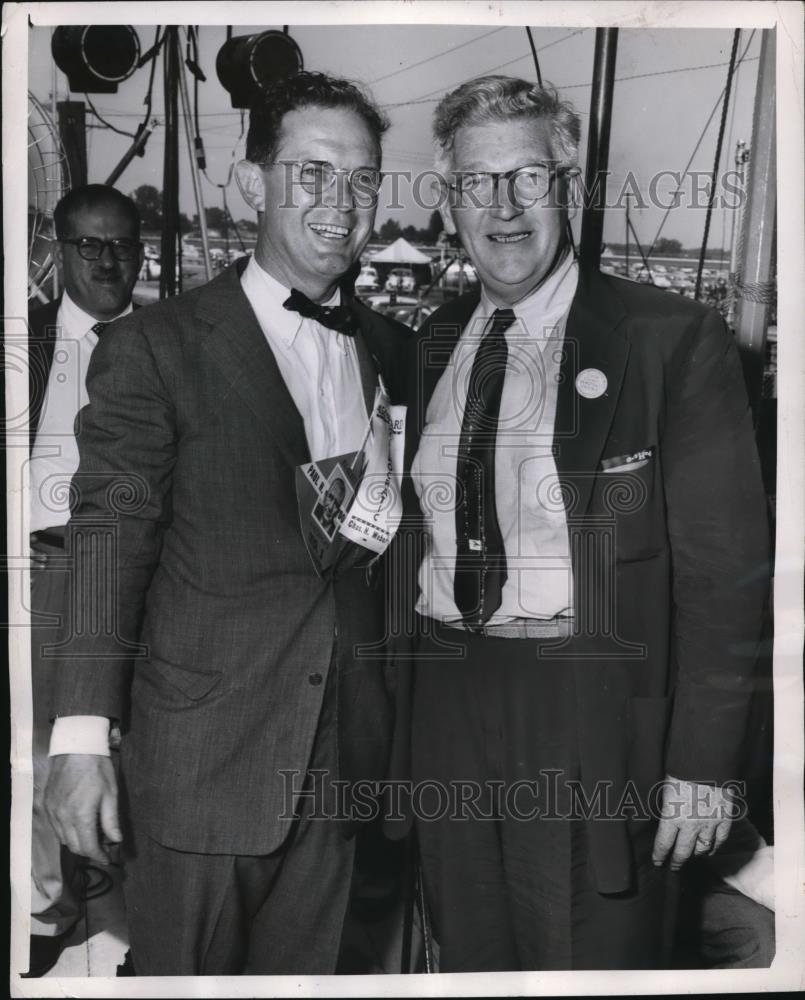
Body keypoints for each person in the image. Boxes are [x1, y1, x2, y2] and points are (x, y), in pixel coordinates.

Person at [399, 75, 769, 971]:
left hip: (593, 709)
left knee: (595, 960)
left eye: (528, 177)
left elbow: (726, 579)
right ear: (447, 200)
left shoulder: (669, 338)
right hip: (449, 704)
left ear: (567, 185)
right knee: (470, 955)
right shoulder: (429, 343)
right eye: (476, 183)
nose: (503, 206)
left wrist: (703, 767)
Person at [42, 72, 408, 976]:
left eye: (362, 178)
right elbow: (108, 541)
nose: (341, 202)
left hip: (339, 769)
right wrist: (80, 738)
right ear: (252, 185)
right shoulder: (157, 348)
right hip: (203, 763)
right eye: (310, 173)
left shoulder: (396, 352)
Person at [25, 184, 143, 978]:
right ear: (58, 252)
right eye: (88, 246)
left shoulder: (172, 345)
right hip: (36, 576)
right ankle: (44, 907)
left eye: (121, 246)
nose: (106, 260)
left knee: (124, 749)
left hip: (130, 582)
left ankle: (127, 919)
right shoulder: (19, 340)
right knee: (33, 752)